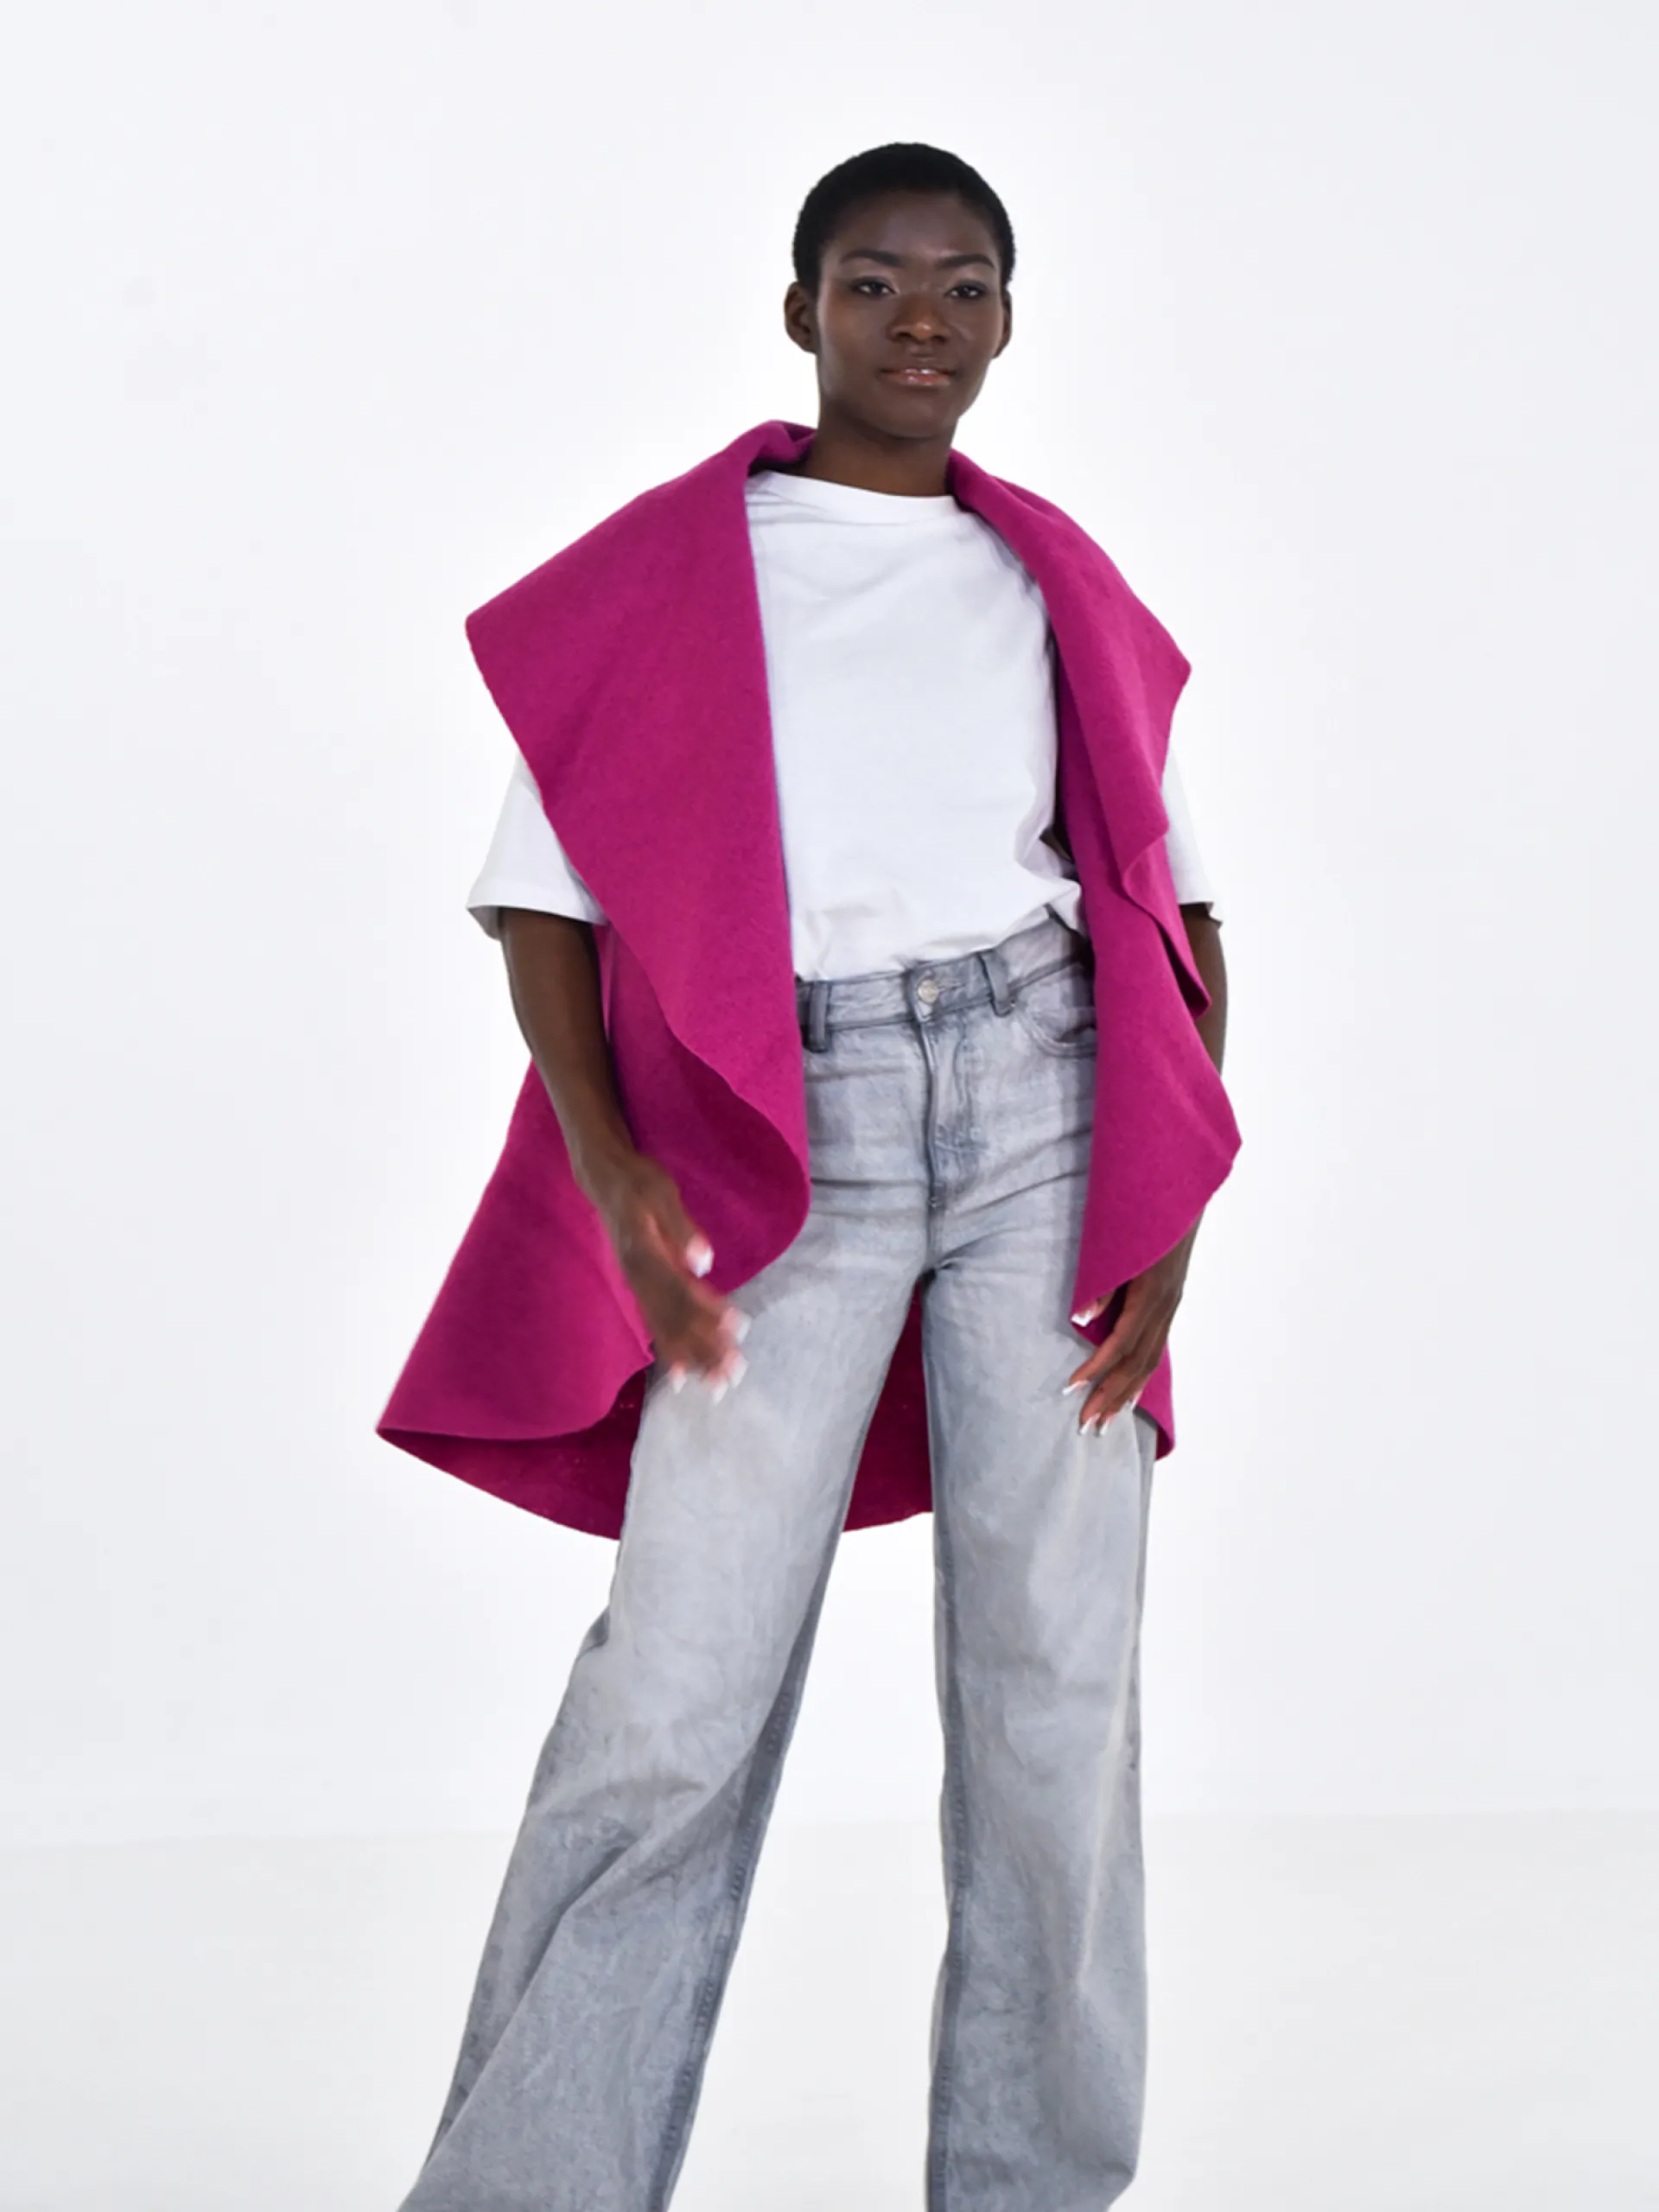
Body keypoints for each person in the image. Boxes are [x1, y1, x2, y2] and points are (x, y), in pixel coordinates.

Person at [390, 141, 1237, 2212]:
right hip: (794, 1129)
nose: (920, 320)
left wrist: (1174, 1209)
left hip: (1047, 1110)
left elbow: (1177, 909)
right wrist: (612, 1171)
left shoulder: (1050, 578)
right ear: (803, 312)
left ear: (1008, 322)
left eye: (963, 286)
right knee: (676, 1695)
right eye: (875, 282)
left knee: (1055, 1698)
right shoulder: (683, 570)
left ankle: (1031, 2184)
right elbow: (547, 907)